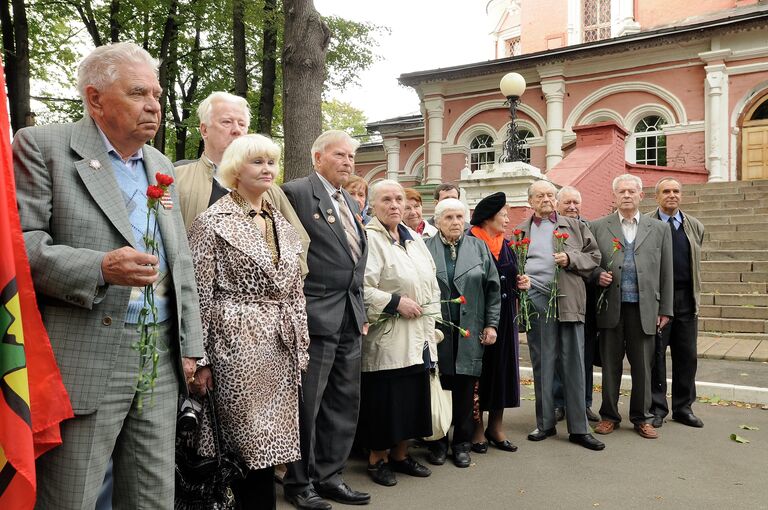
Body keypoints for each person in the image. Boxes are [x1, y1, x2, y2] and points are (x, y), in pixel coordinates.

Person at [13, 42, 203, 508]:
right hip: (86, 353)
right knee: (72, 495)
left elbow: (180, 263)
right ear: (95, 98)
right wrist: (98, 267)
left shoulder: (160, 164)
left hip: (159, 354)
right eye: (139, 92)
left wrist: (192, 346)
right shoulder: (43, 146)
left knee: (152, 495)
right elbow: (21, 247)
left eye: (157, 94)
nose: (154, 105)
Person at [187, 134, 309, 508]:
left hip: (280, 345)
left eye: (271, 162)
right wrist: (201, 359)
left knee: (271, 451)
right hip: (235, 346)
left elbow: (294, 290)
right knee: (243, 447)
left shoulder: (282, 224)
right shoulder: (211, 221)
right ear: (236, 169)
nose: (267, 169)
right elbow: (200, 293)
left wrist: (300, 344)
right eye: (257, 162)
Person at [282, 130, 370, 509]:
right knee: (308, 403)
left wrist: (361, 310)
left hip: (350, 315)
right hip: (315, 313)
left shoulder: (348, 199)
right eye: (340, 154)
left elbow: (355, 258)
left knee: (343, 401)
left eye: (351, 156)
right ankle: (299, 482)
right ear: (317, 157)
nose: (348, 161)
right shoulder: (297, 193)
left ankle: (330, 476)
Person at [175, 91, 309, 275]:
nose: (237, 130)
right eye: (227, 122)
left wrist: (284, 287)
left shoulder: (271, 190)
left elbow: (298, 242)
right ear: (204, 129)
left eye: (242, 124)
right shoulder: (177, 179)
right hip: (195, 297)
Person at [360, 180, 439, 487]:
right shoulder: (369, 239)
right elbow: (362, 288)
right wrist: (394, 302)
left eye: (399, 199)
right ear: (373, 206)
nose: (394, 205)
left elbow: (431, 282)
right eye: (386, 200)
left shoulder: (414, 239)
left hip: (420, 332)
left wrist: (436, 324)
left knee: (413, 397)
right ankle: (377, 458)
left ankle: (401, 454)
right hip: (389, 333)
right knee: (387, 399)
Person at [516, 181, 604, 451]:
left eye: (551, 195)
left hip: (567, 299)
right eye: (540, 195)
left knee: (574, 363)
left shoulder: (574, 225)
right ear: (530, 201)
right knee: (543, 362)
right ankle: (545, 424)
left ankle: (579, 429)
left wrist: (570, 258)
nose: (547, 199)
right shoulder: (522, 230)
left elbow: (595, 257)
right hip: (536, 299)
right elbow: (516, 262)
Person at [591, 174, 673, 440]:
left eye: (631, 191)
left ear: (641, 195)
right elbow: (590, 263)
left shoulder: (658, 229)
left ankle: (642, 417)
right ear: (614, 196)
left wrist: (666, 309)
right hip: (611, 307)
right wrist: (597, 275)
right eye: (621, 191)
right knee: (610, 365)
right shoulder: (598, 227)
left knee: (643, 367)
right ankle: (609, 416)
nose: (627, 195)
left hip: (645, 307)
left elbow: (666, 271)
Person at [425, 198, 501, 468]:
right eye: (449, 218)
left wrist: (491, 325)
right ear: (437, 222)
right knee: (438, 388)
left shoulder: (478, 247)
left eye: (459, 217)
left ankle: (461, 444)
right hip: (437, 331)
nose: (455, 222)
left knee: (466, 390)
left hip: (471, 330)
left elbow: (493, 291)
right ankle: (437, 442)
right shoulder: (425, 248)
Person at [466, 192, 530, 454]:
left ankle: (496, 426)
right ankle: (476, 429)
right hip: (479, 317)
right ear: (489, 218)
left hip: (505, 318)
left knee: (502, 370)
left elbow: (510, 275)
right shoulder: (471, 242)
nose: (507, 219)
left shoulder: (505, 244)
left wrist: (521, 283)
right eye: (503, 214)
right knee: (479, 373)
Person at [649, 178, 705, 429]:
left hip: (686, 299)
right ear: (656, 196)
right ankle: (657, 408)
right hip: (659, 300)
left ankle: (683, 408)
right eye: (666, 191)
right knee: (656, 356)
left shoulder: (694, 226)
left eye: (676, 191)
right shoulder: (648, 224)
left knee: (687, 357)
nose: (672, 195)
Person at [554, 186, 600, 423]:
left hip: (587, 299)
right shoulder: (551, 228)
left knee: (584, 354)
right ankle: (559, 403)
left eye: (576, 203)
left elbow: (597, 259)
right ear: (557, 205)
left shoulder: (588, 227)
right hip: (560, 298)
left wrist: (594, 272)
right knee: (559, 355)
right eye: (567, 203)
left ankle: (584, 403)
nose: (572, 207)